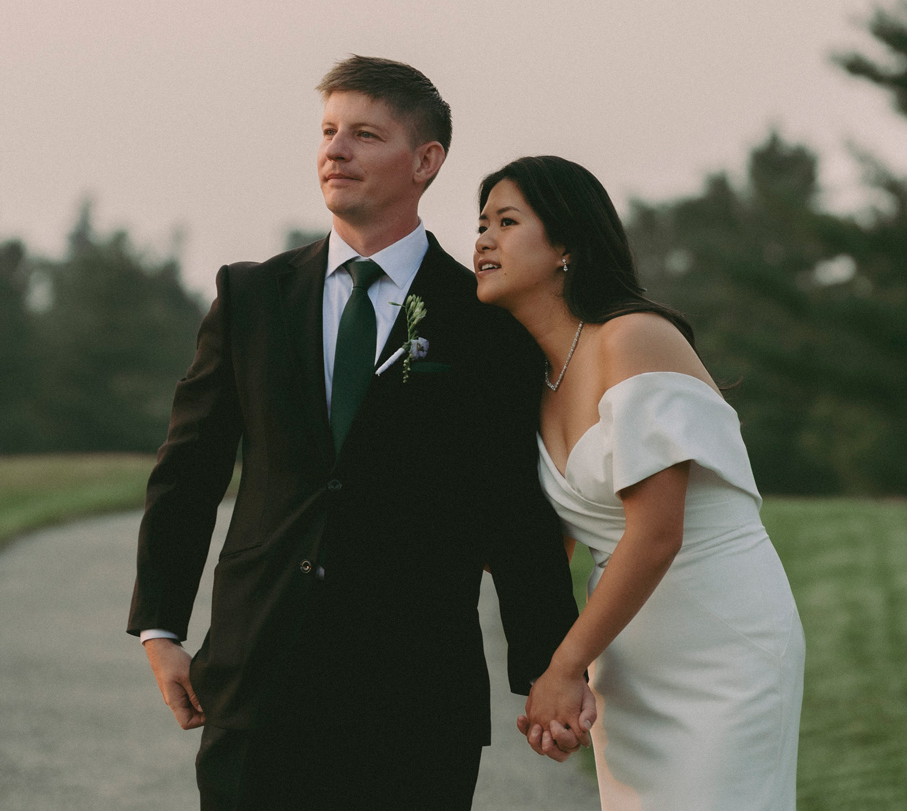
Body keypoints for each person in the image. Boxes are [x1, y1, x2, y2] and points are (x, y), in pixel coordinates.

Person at [128, 58, 593, 811]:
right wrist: (159, 628)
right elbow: (189, 469)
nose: (334, 150)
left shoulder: (483, 323)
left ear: (425, 161)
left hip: (412, 690)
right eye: (327, 131)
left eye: (364, 134)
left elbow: (510, 507)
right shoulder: (249, 297)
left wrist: (547, 666)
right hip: (256, 673)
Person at [474, 155, 805, 811]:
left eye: (506, 221)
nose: (482, 238)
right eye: (480, 223)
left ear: (565, 244)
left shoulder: (632, 339)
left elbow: (656, 534)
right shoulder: (535, 382)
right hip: (625, 657)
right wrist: (554, 675)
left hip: (720, 643)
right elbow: (549, 548)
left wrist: (565, 668)